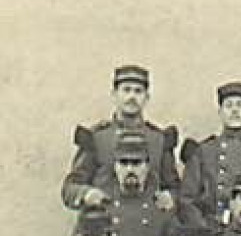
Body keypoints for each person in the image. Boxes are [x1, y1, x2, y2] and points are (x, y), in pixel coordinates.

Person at [62, 63, 179, 214]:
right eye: (126, 90)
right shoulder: (97, 138)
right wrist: (86, 193)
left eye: (138, 91)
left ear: (147, 97)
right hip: (105, 224)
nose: (132, 97)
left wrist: (171, 197)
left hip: (148, 227)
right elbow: (70, 188)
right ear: (114, 94)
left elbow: (175, 187)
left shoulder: (159, 139)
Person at [179, 81, 241, 229]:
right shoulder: (204, 152)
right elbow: (187, 200)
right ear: (220, 112)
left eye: (240, 105)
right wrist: (204, 228)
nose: (234, 111)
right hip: (211, 232)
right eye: (229, 106)